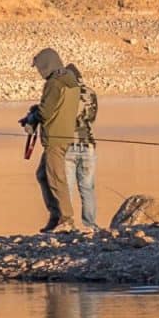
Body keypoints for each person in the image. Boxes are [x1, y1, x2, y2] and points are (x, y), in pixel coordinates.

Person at [23, 48, 84, 231]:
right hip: (63, 135)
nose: (39, 71)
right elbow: (55, 106)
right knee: (43, 175)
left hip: (56, 138)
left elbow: (46, 111)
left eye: (39, 67)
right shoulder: (70, 78)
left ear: (46, 64)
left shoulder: (54, 82)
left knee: (56, 178)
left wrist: (32, 118)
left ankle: (66, 219)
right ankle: (55, 216)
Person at [69, 61, 100, 228]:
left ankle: (68, 224)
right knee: (87, 189)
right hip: (88, 145)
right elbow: (92, 118)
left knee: (67, 189)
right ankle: (90, 225)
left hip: (68, 145)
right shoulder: (90, 93)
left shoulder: (65, 92)